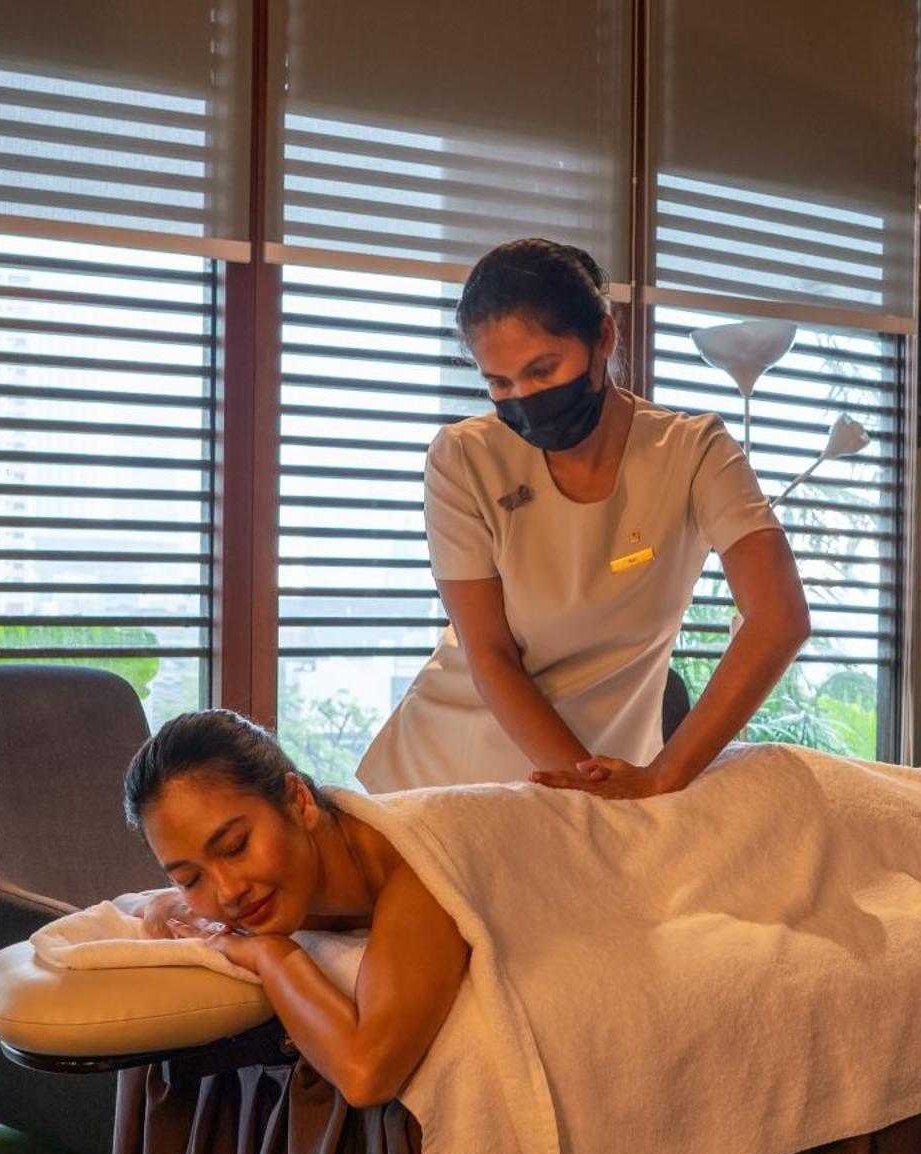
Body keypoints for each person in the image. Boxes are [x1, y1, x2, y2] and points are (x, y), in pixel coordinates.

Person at [355, 237, 810, 800]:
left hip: (607, 776)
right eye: (499, 383)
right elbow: (490, 656)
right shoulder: (462, 459)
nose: (523, 398)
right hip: (449, 774)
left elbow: (779, 618)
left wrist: (663, 775)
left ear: (603, 337)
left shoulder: (695, 452)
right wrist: (589, 788)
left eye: (543, 370)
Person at [125, 709, 465, 1106]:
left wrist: (271, 954)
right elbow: (150, 907)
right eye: (190, 878)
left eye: (236, 847)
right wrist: (176, 903)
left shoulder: (414, 865)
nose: (229, 892)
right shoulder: (277, 887)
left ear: (298, 800)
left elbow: (366, 1073)